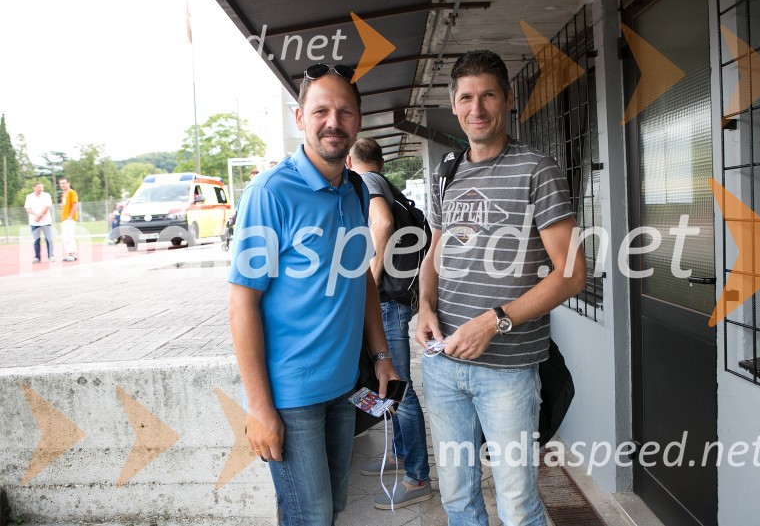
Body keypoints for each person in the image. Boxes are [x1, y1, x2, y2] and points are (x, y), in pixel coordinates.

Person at [415, 49, 587, 526]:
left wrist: (496, 320)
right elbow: (435, 254)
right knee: (457, 497)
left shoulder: (537, 169)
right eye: (466, 97)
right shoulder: (446, 172)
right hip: (443, 366)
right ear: (453, 105)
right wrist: (425, 305)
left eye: (488, 94)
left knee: (516, 504)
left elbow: (572, 273)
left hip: (507, 372)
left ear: (508, 100)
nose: (477, 108)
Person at [227, 63, 398, 526]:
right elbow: (242, 301)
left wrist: (381, 355)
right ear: (299, 117)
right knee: (311, 517)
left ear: (359, 120)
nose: (333, 121)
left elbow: (360, 275)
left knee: (333, 507)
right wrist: (259, 406)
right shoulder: (269, 192)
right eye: (320, 110)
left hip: (344, 387)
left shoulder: (357, 191)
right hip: (291, 395)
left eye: (344, 111)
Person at [346, 138, 433, 509]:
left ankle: (417, 479)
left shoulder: (366, 183)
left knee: (399, 388)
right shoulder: (386, 183)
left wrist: (372, 277)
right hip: (397, 301)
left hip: (386, 301)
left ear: (351, 160)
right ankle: (400, 454)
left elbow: (380, 222)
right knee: (392, 385)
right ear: (380, 160)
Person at [24, 182, 55, 263]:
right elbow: (27, 208)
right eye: (39, 187)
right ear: (34, 188)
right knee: (36, 240)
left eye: (42, 187)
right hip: (34, 223)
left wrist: (39, 216)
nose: (41, 189)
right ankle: (37, 257)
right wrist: (35, 215)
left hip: (46, 221)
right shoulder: (29, 197)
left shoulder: (46, 195)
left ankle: (51, 256)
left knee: (49, 239)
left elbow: (47, 207)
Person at [58, 177, 79, 262]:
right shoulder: (64, 193)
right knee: (65, 237)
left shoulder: (71, 192)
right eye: (61, 183)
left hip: (69, 218)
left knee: (69, 236)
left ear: (68, 183)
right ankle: (70, 253)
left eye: (64, 183)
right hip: (64, 218)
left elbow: (75, 204)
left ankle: (72, 254)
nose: (62, 185)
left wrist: (70, 216)